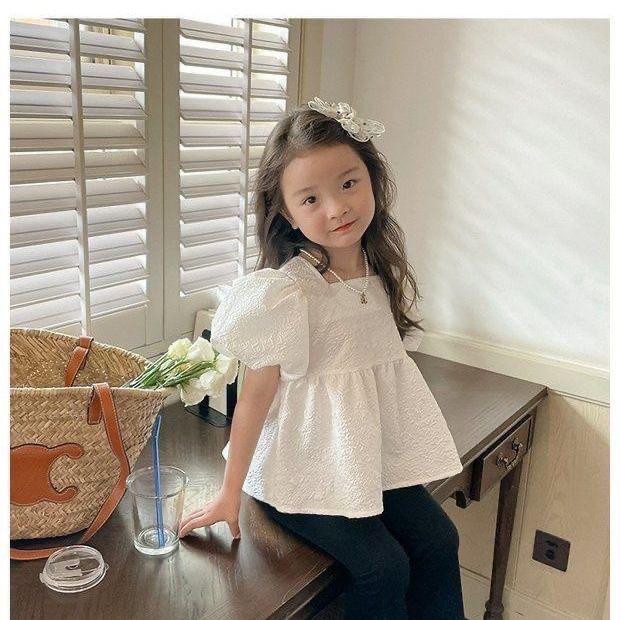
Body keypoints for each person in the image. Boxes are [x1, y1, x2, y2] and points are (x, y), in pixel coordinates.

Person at [178, 97, 466, 619]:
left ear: (372, 179)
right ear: (287, 214)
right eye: (311, 199)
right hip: (301, 466)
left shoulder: (377, 268)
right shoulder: (288, 293)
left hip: (365, 456)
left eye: (348, 184)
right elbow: (256, 398)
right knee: (384, 568)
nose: (337, 208)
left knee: (440, 540)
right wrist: (228, 493)